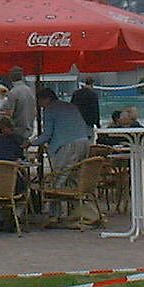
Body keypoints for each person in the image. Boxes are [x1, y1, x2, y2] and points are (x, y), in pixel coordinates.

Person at [32, 88, 93, 219]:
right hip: (84, 142)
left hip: (67, 145)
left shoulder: (49, 110)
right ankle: (78, 212)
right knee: (74, 178)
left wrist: (31, 143)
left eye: (39, 100)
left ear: (46, 99)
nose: (39, 104)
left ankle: (55, 214)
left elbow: (47, 135)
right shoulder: (71, 106)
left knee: (59, 178)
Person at [0, 66, 36, 141]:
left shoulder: (13, 92)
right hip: (29, 130)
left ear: (10, 77)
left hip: (17, 131)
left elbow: (10, 114)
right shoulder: (29, 91)